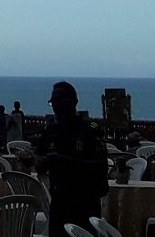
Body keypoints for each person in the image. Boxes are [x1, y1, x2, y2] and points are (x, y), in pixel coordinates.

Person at [35, 81, 108, 237]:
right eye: (53, 101)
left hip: (85, 202)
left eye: (61, 100)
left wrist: (63, 160)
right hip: (59, 202)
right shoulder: (51, 130)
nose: (57, 105)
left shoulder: (90, 129)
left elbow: (100, 166)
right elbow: (39, 157)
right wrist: (37, 161)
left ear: (74, 102)